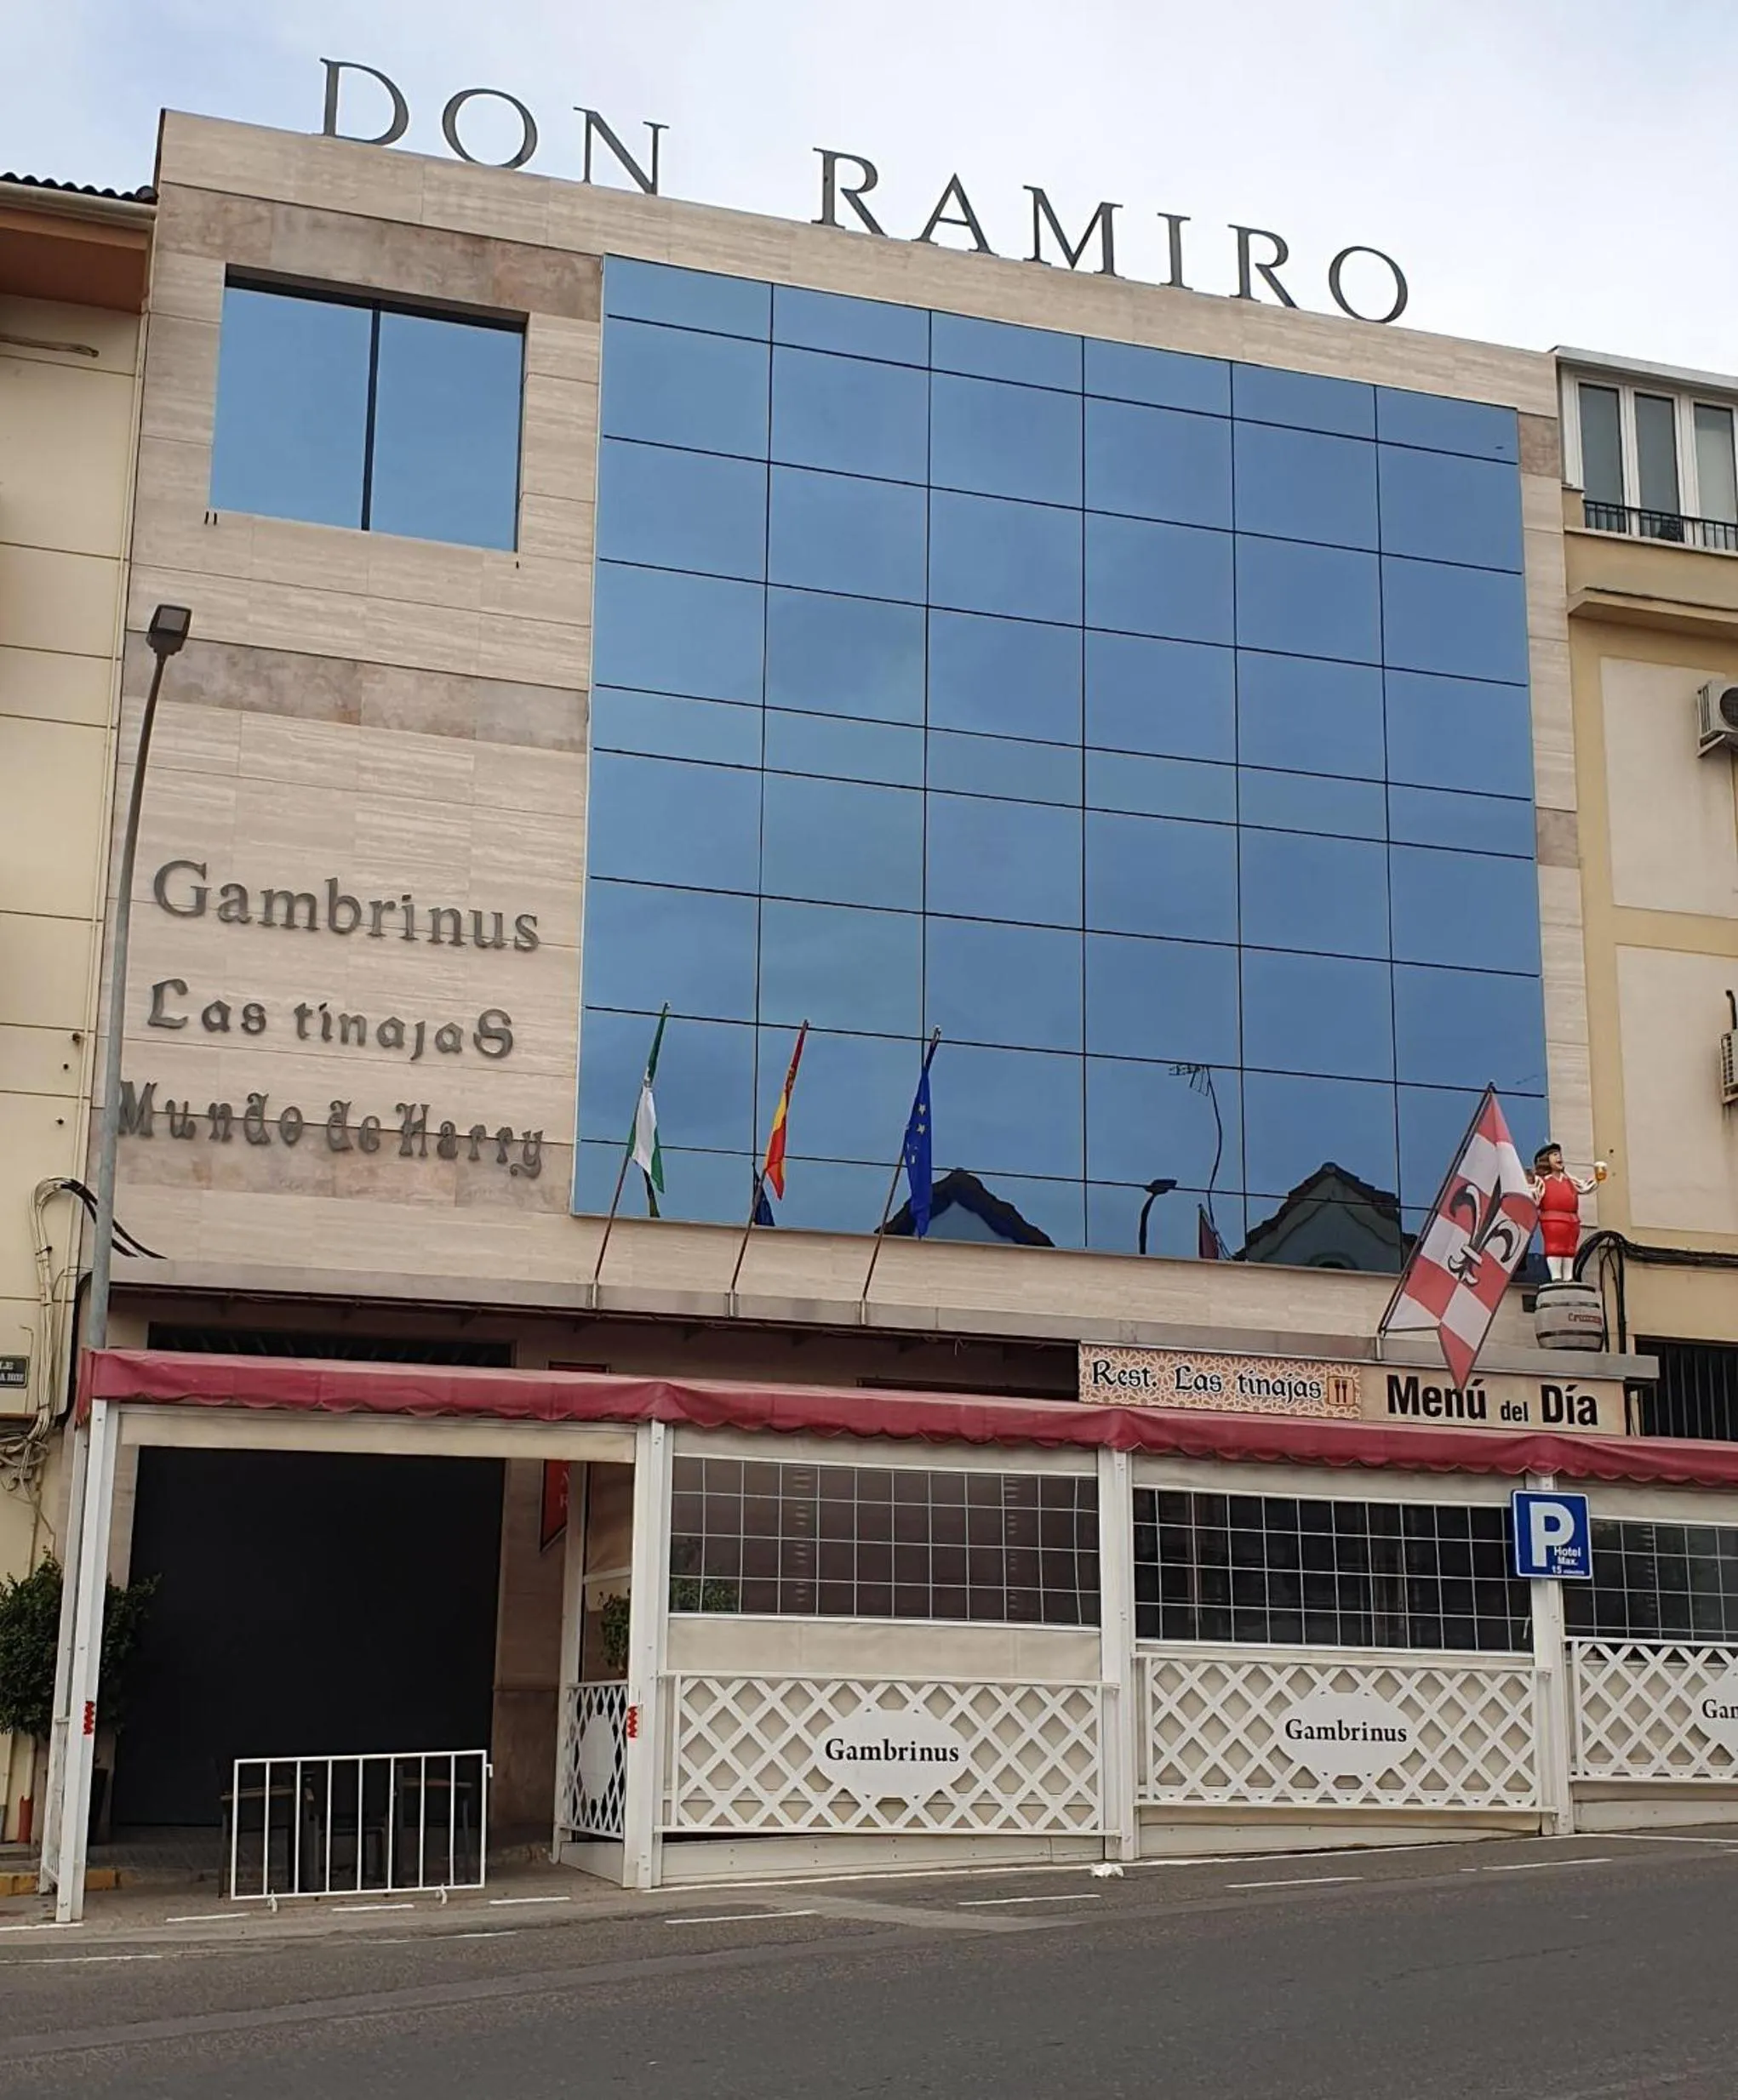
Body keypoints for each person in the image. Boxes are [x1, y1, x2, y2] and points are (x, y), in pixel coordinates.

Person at [1528, 1144, 1608, 1282]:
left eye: (1559, 1154)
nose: (1559, 1157)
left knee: (1569, 1249)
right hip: (1552, 1219)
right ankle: (1556, 1276)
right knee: (1554, 1247)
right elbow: (1534, 1195)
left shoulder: (1569, 1180)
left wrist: (1597, 1178)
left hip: (1571, 1219)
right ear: (1546, 1160)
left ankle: (1568, 1276)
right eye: (1554, 1155)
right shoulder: (1542, 1181)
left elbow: (1583, 1187)